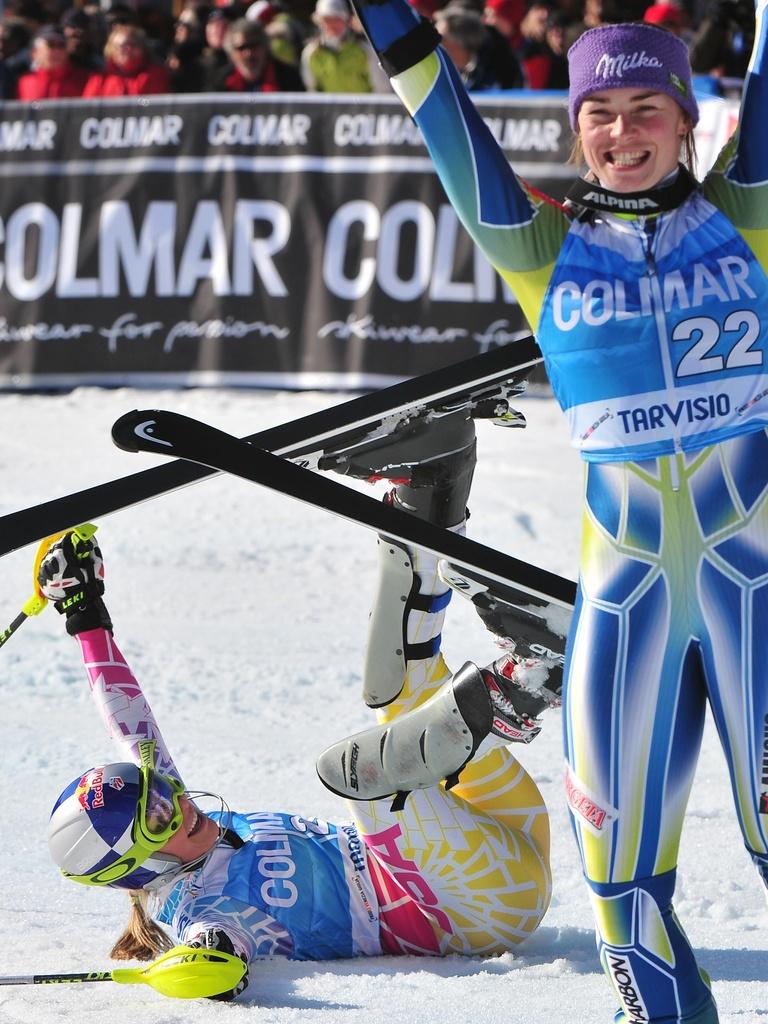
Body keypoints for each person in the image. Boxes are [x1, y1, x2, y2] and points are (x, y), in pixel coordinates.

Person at [316, 2, 768, 1021]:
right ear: (576, 127)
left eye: (643, 108)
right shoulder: (536, 243)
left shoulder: (745, 208)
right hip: (630, 599)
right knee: (618, 882)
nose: (621, 133)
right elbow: (438, 110)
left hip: (765, 587)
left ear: (683, 118)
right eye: (598, 113)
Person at [41, 415, 557, 1001]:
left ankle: (430, 494)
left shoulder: (183, 830)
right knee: (357, 773)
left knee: (395, 690)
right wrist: (203, 968)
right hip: (475, 911)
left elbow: (129, 718)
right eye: (158, 817)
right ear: (142, 866)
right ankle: (524, 685)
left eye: (159, 791)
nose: (177, 802)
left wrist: (82, 613)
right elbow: (218, 945)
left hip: (495, 829)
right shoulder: (200, 907)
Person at [301, 0, 384, 92]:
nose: (332, 25)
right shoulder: (311, 53)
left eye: (337, 19)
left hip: (364, 106)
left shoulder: (365, 50)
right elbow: (312, 90)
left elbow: (382, 89)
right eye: (327, 19)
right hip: (330, 106)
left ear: (346, 21)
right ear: (319, 22)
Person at [212, 18, 304, 91]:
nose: (249, 53)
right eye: (241, 48)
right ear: (231, 52)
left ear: (265, 46)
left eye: (254, 46)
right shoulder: (221, 81)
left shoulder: (288, 76)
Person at [83, 24, 171, 96]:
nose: (127, 50)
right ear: (111, 49)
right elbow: (89, 109)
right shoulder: (100, 78)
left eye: (133, 45)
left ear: (142, 48)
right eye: (122, 46)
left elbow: (159, 106)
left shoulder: (155, 74)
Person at [16, 23, 90, 99]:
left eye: (61, 45)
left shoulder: (85, 80)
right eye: (50, 45)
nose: (57, 51)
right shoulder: (25, 82)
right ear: (35, 52)